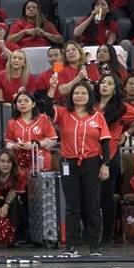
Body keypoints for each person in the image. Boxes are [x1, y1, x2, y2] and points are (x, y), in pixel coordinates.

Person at [46, 77, 111, 256]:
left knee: (92, 206)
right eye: (76, 93)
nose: (79, 96)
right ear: (71, 96)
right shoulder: (63, 113)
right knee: (72, 207)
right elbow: (46, 108)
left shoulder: (97, 116)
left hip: (92, 163)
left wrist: (105, 164)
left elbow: (105, 142)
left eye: (83, 93)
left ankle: (94, 246)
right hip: (69, 163)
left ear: (89, 96)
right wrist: (52, 88)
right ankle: (71, 246)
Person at [96, 75, 134, 252]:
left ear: (115, 89)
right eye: (103, 82)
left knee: (106, 197)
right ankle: (90, 234)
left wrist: (126, 133)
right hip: (89, 155)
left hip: (109, 155)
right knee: (89, 197)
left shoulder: (120, 107)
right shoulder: (90, 105)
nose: (105, 85)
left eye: (110, 83)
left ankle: (107, 236)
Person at [5, 90, 57, 176]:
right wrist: (15, 145)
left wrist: (36, 144)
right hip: (19, 164)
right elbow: (8, 143)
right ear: (16, 105)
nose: (22, 103)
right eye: (19, 101)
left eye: (26, 100)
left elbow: (53, 140)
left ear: (33, 104)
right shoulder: (12, 122)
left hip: (41, 164)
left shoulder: (43, 119)